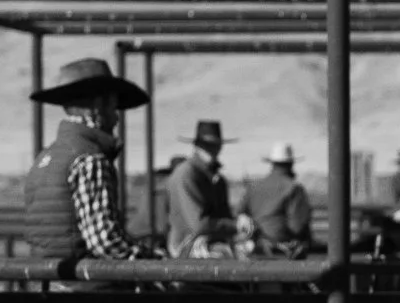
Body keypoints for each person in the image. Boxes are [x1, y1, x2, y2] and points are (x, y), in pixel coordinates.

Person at [22, 57, 157, 263]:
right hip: (88, 286)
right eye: (113, 107)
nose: (116, 117)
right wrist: (152, 261)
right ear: (97, 107)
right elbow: (105, 242)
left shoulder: (47, 156)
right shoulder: (89, 158)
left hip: (51, 280)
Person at [167, 120, 244, 258]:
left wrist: (237, 224)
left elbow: (223, 216)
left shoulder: (218, 179)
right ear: (196, 145)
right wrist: (235, 225)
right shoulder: (186, 174)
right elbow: (199, 225)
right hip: (187, 246)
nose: (213, 149)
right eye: (207, 146)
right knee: (225, 257)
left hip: (211, 242)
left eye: (216, 145)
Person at [241, 141, 314, 257]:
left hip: (255, 251)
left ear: (272, 163)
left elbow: (240, 216)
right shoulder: (294, 188)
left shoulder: (253, 187)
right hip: (284, 253)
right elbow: (297, 226)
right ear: (291, 164)